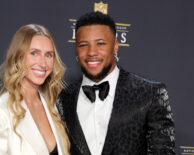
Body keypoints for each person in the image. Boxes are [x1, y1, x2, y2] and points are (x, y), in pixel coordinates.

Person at [57, 12, 175, 155]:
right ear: (76, 49)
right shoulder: (63, 99)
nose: (91, 52)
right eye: (83, 45)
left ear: (115, 46)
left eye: (100, 43)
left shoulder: (151, 94)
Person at [0, 24, 70, 155]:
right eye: (34, 53)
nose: (43, 63)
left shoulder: (54, 108)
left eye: (49, 55)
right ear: (18, 56)